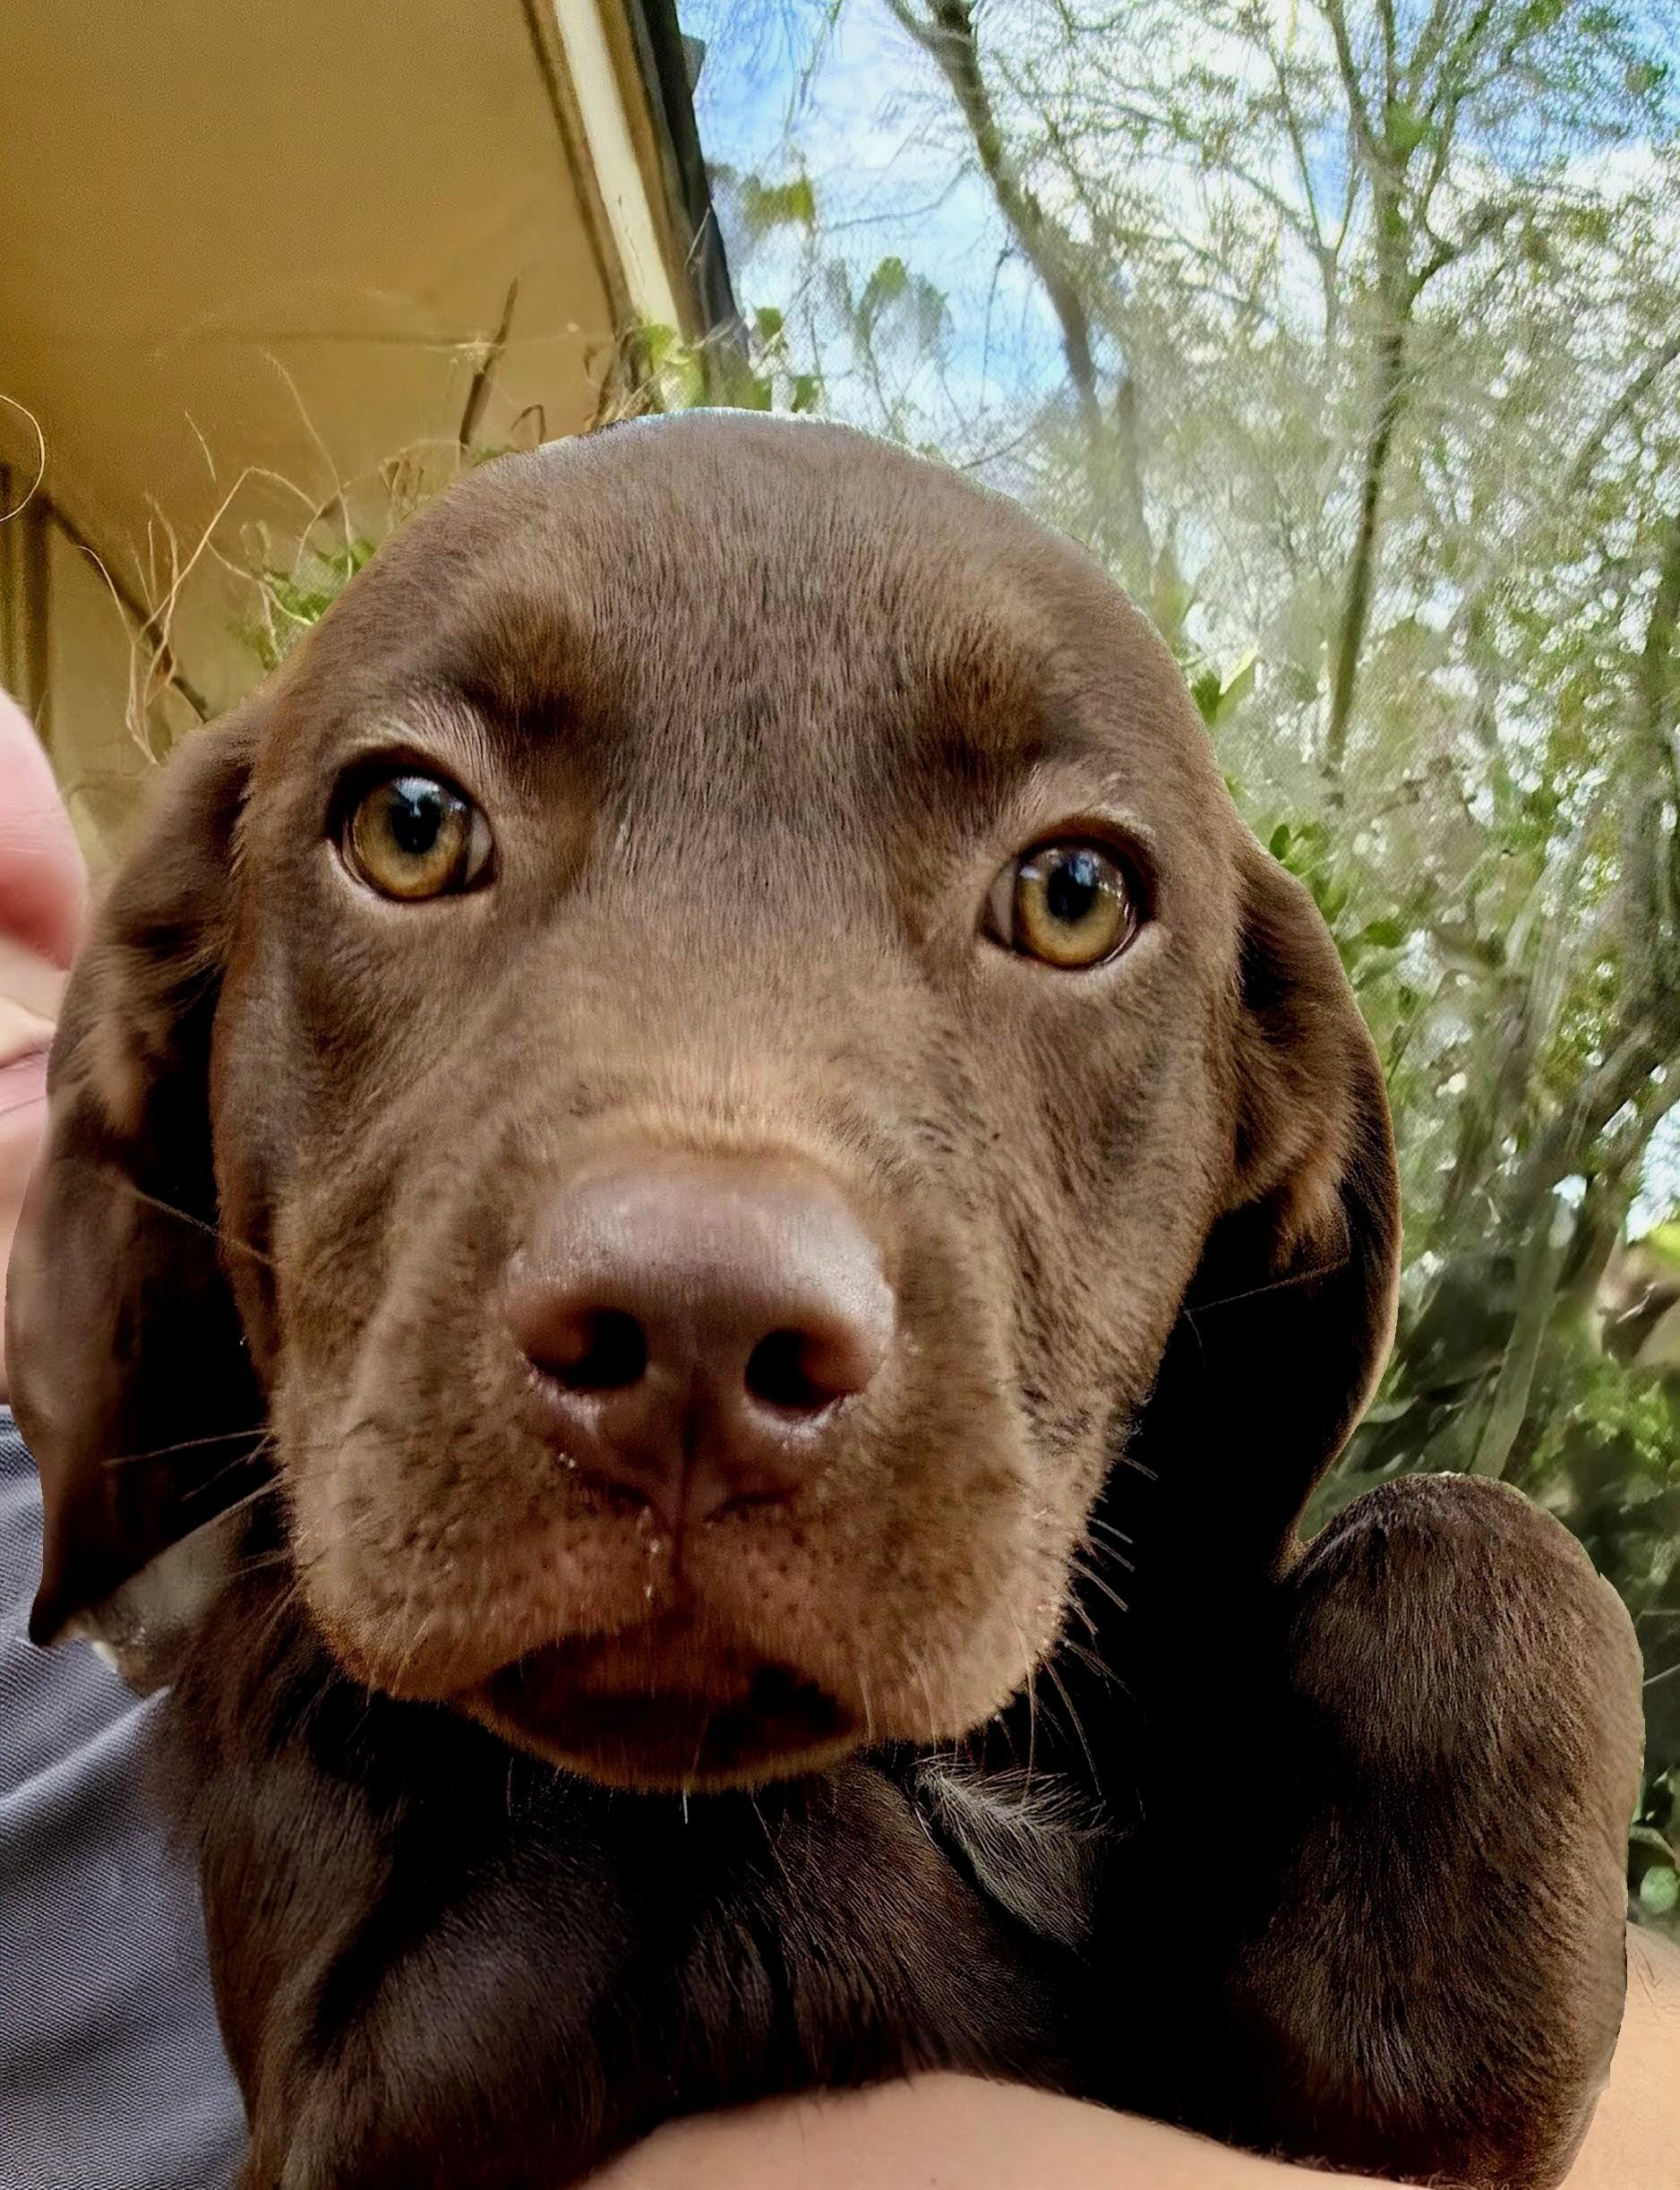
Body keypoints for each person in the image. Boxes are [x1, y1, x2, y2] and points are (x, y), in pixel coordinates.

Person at [2, 685, 1676, 2188]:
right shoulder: (246, 1644)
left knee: (1476, 1613)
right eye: (415, 829)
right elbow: (399, 2104)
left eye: (1068, 894)